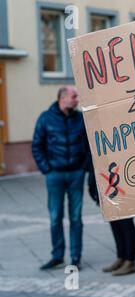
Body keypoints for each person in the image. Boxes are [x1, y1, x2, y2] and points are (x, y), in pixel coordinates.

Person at [32, 86, 88, 270]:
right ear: (63, 98)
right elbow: (37, 146)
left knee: (76, 218)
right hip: (54, 175)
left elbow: (89, 145)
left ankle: (75, 257)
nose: (77, 99)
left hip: (76, 174)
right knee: (55, 217)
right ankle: (57, 256)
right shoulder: (46, 118)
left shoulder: (80, 118)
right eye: (74, 96)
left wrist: (84, 167)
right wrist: (47, 169)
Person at [87, 161, 135, 276]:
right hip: (104, 178)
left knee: (126, 222)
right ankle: (121, 257)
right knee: (114, 222)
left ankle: (130, 261)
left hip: (119, 177)